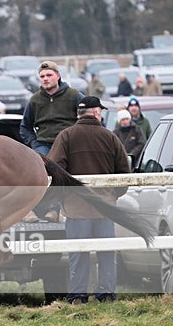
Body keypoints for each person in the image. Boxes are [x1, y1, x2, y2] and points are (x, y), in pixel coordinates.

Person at [47, 96, 131, 304]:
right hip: (105, 207)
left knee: (78, 254)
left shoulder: (66, 136)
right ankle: (107, 293)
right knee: (106, 254)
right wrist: (113, 195)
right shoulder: (110, 137)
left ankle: (78, 295)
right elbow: (124, 173)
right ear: (96, 113)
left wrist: (64, 197)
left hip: (76, 208)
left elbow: (54, 168)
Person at [20, 60, 84, 221]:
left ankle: (55, 210)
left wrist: (77, 140)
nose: (45, 78)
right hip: (43, 144)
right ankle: (29, 209)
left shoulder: (74, 96)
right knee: (31, 173)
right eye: (42, 76)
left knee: (60, 173)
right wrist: (34, 144)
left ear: (58, 76)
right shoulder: (35, 100)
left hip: (67, 144)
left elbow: (86, 116)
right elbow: (25, 127)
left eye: (49, 75)